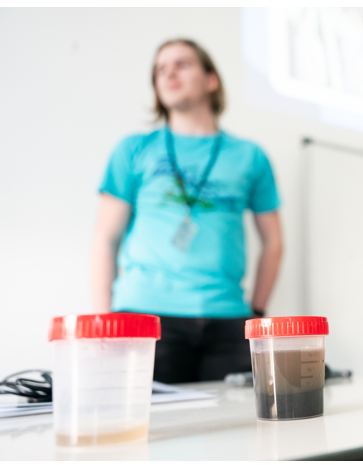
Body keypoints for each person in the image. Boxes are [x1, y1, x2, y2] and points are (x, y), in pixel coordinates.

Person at [91, 39, 283, 384]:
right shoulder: (133, 149)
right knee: (150, 432)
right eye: (160, 70)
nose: (169, 74)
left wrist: (256, 313)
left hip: (228, 318)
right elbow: (106, 239)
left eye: (182, 64)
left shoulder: (251, 156)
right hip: (145, 315)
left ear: (211, 80)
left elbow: (273, 241)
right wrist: (104, 320)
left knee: (237, 431)